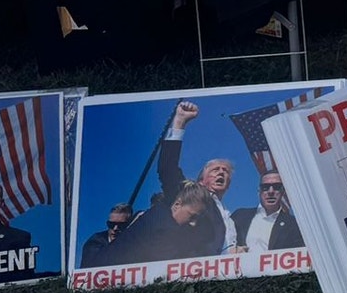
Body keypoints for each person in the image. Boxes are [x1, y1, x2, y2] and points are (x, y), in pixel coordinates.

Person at [158, 100, 238, 254]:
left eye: (225, 171)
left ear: (229, 183)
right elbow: (167, 168)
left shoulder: (229, 218)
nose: (221, 172)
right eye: (215, 170)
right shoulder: (189, 195)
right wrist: (180, 122)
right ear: (201, 179)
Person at [110, 182, 219, 265]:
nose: (194, 224)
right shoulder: (163, 228)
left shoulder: (167, 225)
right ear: (177, 205)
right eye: (192, 216)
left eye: (198, 219)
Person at [230, 172, 304, 252]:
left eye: (276, 187)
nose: (271, 191)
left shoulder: (294, 225)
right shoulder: (239, 216)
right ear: (259, 191)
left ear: (283, 191)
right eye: (265, 187)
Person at [79, 203, 134, 269]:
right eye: (111, 224)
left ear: (129, 225)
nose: (115, 228)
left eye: (121, 225)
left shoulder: (134, 242)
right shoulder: (94, 242)